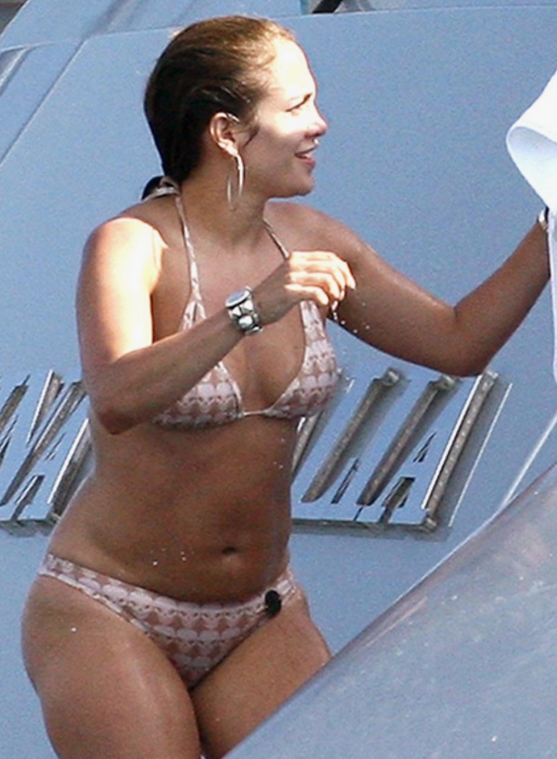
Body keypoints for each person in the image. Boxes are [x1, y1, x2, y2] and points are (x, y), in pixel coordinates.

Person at [21, 14, 550, 759]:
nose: (320, 124)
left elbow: (458, 341)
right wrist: (249, 310)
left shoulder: (314, 239)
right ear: (227, 133)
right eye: (297, 106)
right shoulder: (132, 244)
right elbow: (116, 397)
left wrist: (549, 222)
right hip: (111, 606)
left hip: (259, 613)